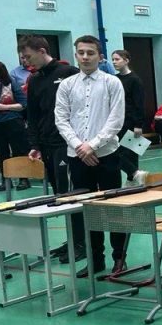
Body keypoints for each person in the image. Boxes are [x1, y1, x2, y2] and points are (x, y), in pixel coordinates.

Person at [54, 35, 127, 278]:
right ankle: (96, 259)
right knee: (88, 209)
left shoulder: (112, 83)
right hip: (77, 157)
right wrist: (79, 146)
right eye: (81, 52)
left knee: (113, 208)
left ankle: (119, 258)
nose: (85, 57)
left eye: (90, 53)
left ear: (100, 56)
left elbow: (116, 120)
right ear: (76, 55)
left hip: (106, 155)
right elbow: (61, 119)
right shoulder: (67, 85)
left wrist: (93, 145)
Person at [23, 34, 82, 261]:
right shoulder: (35, 80)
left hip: (66, 144)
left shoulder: (68, 73)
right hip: (46, 145)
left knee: (70, 194)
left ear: (42, 51)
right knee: (59, 195)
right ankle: (72, 238)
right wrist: (35, 144)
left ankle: (81, 242)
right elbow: (33, 115)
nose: (27, 61)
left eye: (29, 56)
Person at [0, 61, 30, 190]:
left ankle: (23, 179)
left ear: (0, 71)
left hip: (13, 122)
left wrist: (4, 107)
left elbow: (23, 104)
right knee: (2, 152)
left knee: (18, 151)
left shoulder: (12, 83)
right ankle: (6, 180)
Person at [110, 50, 147, 186]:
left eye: (117, 59)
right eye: (113, 59)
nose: (114, 62)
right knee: (118, 152)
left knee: (130, 153)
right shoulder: (114, 79)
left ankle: (133, 176)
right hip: (117, 121)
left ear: (126, 60)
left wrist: (138, 125)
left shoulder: (135, 80)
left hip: (130, 122)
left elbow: (139, 103)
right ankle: (134, 176)